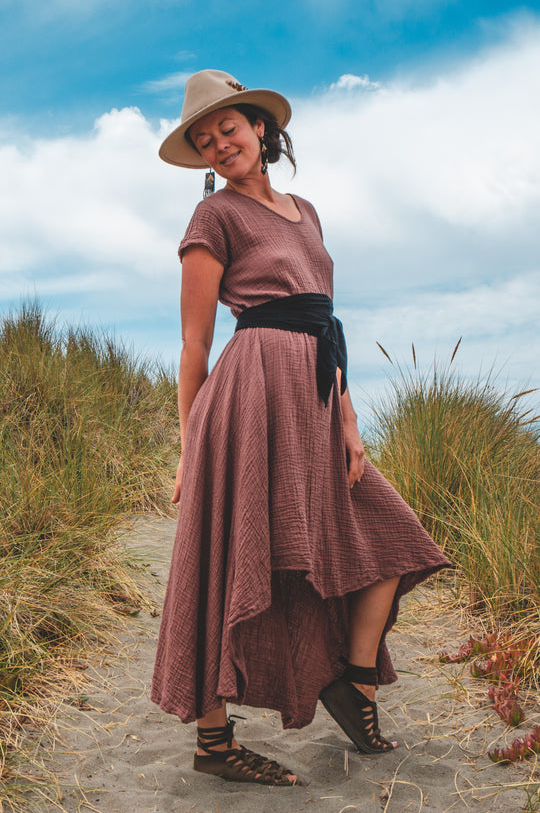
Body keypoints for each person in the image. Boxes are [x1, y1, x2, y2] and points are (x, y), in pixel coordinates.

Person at [151, 69, 451, 787]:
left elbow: (325, 323)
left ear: (260, 127)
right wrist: (193, 448)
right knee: (228, 550)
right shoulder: (212, 220)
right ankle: (214, 742)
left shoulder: (306, 212)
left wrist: (347, 420)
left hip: (315, 394)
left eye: (229, 126)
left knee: (387, 534)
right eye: (204, 138)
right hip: (250, 392)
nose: (219, 143)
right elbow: (194, 344)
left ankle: (351, 678)